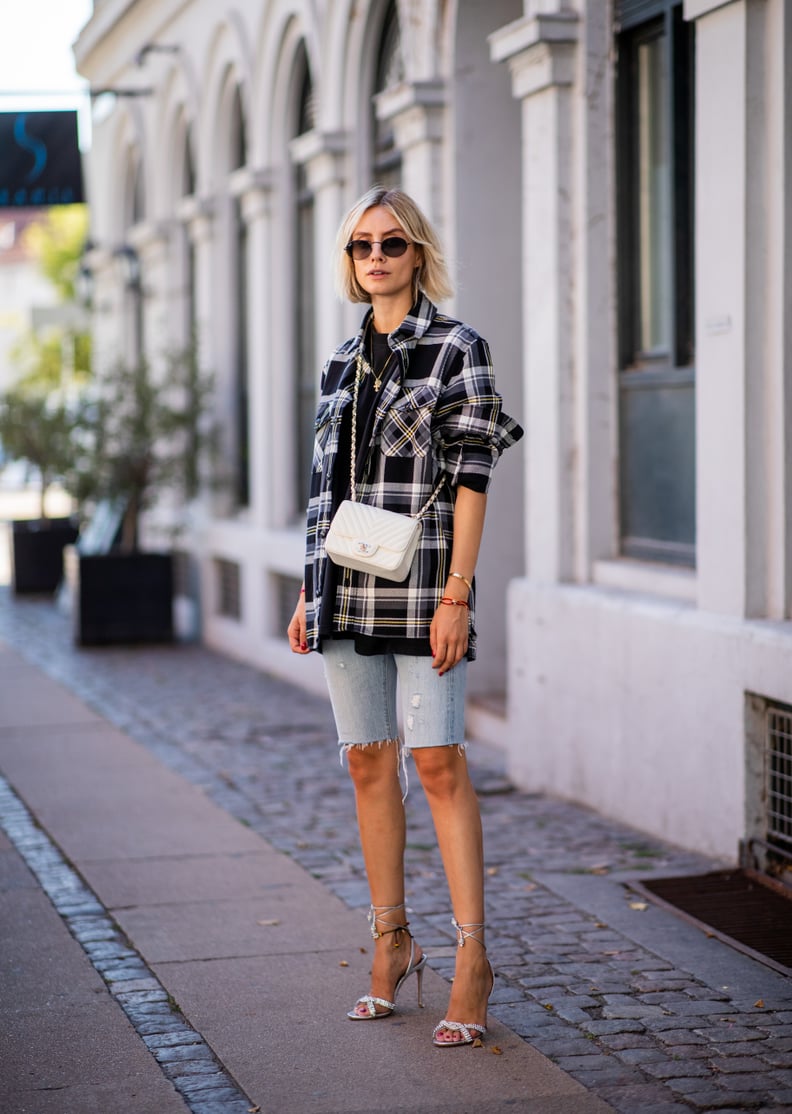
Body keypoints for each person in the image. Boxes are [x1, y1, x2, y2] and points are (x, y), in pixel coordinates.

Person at [288, 186, 522, 1047]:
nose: (375, 257)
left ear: (417, 252)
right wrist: (308, 591)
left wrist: (460, 591)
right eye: (360, 246)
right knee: (366, 765)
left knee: (437, 764)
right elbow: (324, 493)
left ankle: (472, 959)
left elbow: (471, 478)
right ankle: (390, 941)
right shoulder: (338, 366)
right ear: (350, 262)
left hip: (427, 591)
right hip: (345, 590)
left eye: (391, 243)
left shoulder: (460, 348)